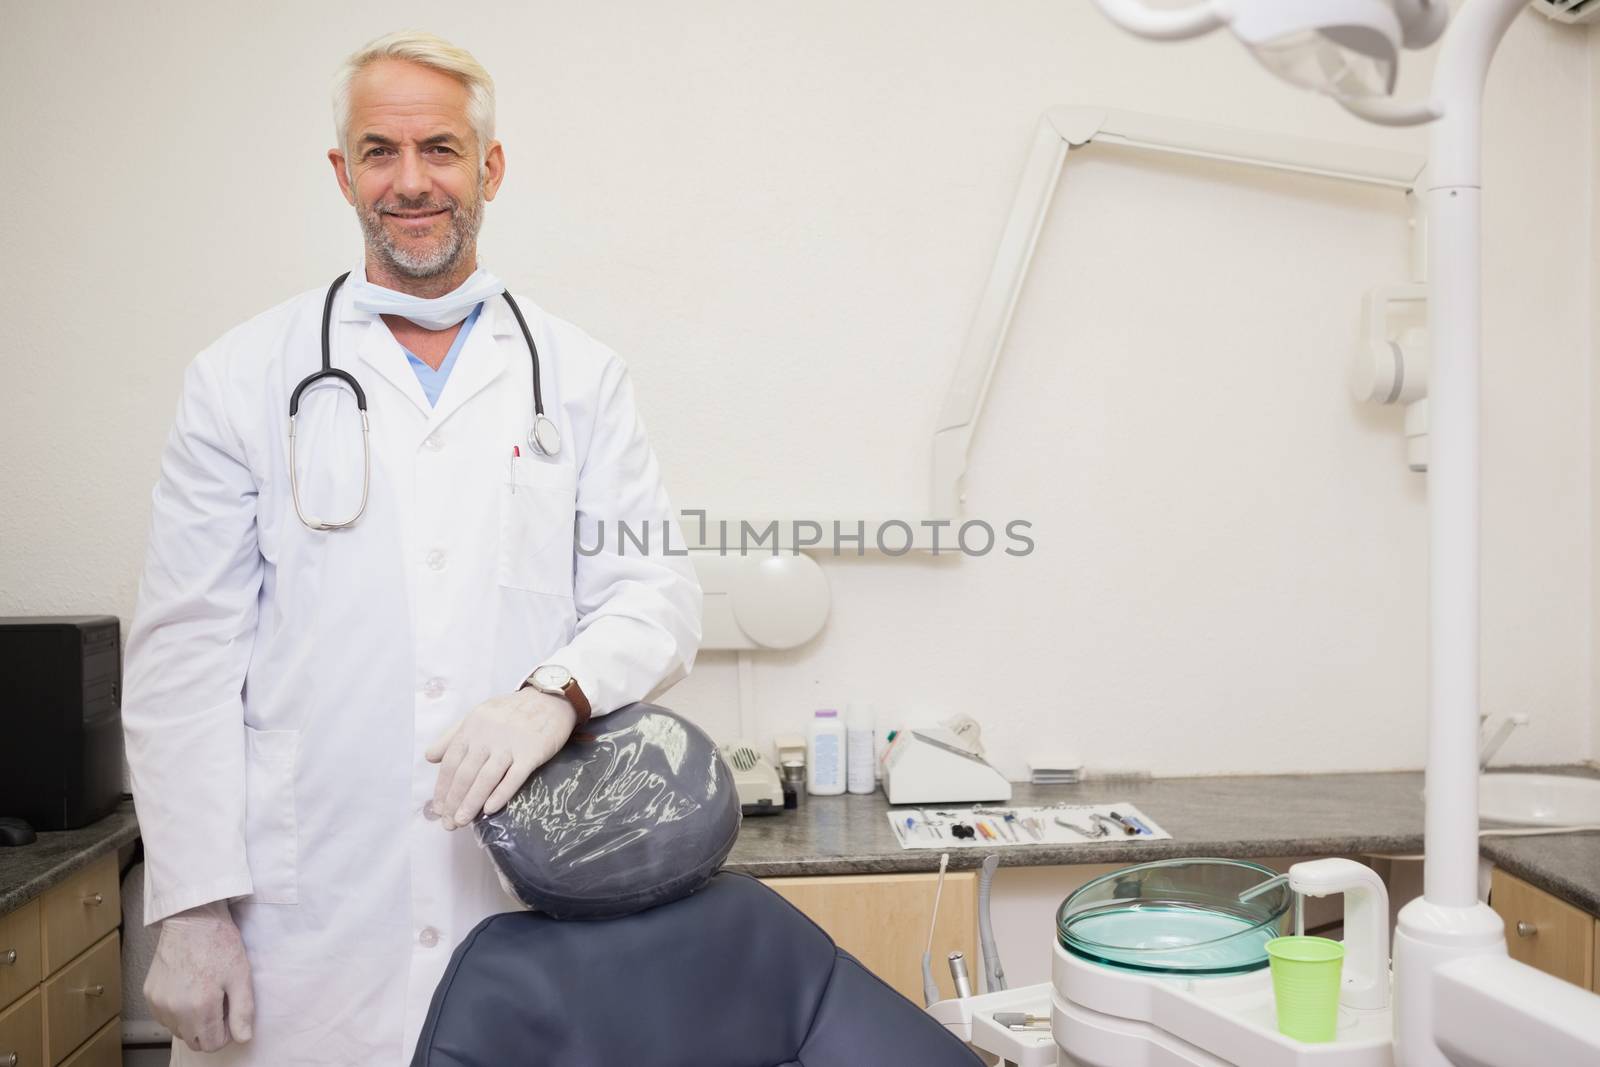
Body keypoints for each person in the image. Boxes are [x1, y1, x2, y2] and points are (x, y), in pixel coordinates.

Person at [121, 30, 702, 1065]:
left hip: (517, 889)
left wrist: (551, 692)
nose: (410, 181)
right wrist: (192, 910)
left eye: (439, 148)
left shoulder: (578, 374)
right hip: (305, 924)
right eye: (379, 152)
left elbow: (653, 593)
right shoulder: (241, 374)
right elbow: (185, 654)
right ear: (343, 173)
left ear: (490, 168)